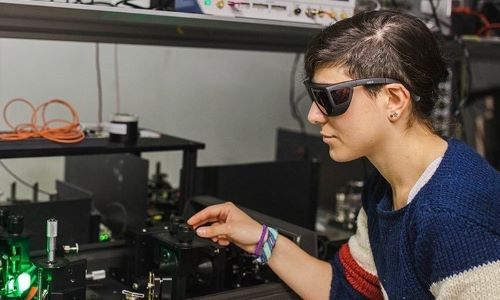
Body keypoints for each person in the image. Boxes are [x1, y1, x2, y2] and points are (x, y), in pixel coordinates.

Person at [188, 10, 500, 299]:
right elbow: (345, 289)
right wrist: (259, 239)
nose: (313, 115)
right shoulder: (385, 188)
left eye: (333, 97)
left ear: (393, 99)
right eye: (314, 96)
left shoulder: (455, 216)